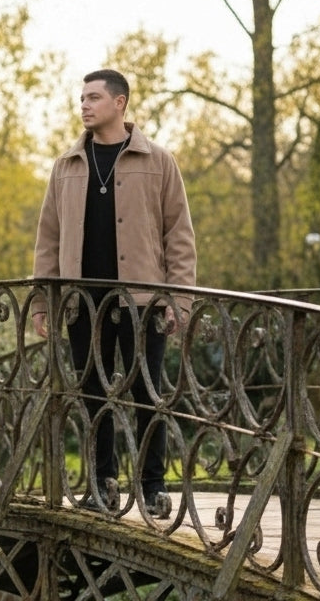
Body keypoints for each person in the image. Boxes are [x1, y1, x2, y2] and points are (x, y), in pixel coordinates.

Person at [31, 68, 197, 518]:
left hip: (143, 301)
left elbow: (178, 236)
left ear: (119, 103)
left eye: (93, 97)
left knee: (148, 392)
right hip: (83, 304)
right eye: (81, 98)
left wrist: (179, 301)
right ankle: (102, 485)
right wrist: (44, 302)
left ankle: (153, 486)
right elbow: (48, 238)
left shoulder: (158, 160)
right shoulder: (66, 166)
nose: (83, 105)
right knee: (91, 394)